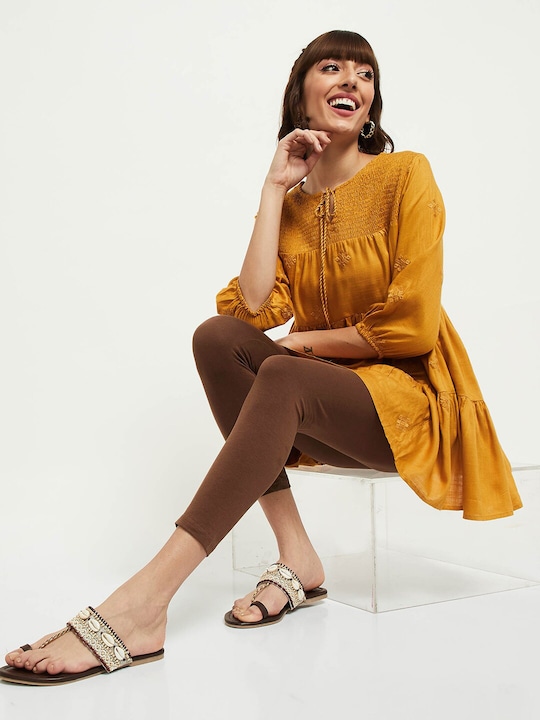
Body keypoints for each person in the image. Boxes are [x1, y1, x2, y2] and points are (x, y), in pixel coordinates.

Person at [0, 29, 521, 686]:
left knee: (281, 369)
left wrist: (299, 345)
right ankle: (297, 553)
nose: (351, 81)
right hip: (318, 398)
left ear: (372, 102)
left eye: (364, 73)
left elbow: (413, 328)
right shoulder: (294, 204)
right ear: (300, 95)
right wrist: (274, 189)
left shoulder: (405, 174)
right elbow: (249, 309)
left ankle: (146, 600)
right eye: (332, 67)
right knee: (215, 338)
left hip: (408, 409)